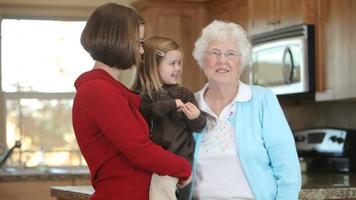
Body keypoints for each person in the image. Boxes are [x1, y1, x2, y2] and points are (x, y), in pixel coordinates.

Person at [72, 3, 192, 200]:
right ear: (119, 40)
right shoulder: (99, 91)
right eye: (139, 42)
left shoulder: (108, 89)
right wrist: (183, 168)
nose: (142, 51)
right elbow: (140, 150)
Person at [189, 20, 302, 200]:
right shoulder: (190, 104)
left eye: (231, 54)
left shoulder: (263, 101)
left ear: (241, 62)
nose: (222, 61)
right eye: (215, 53)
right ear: (203, 60)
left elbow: (288, 170)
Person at [138, 36, 207, 200]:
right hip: (157, 161)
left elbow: (199, 126)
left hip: (181, 158)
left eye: (179, 63)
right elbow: (147, 111)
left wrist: (196, 116)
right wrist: (171, 105)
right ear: (153, 66)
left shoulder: (184, 93)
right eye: (171, 64)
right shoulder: (146, 96)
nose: (177, 68)